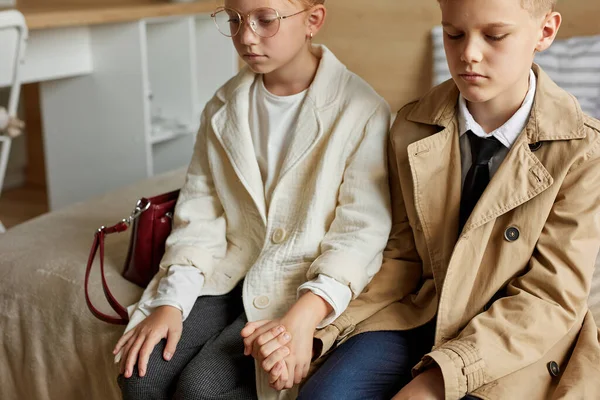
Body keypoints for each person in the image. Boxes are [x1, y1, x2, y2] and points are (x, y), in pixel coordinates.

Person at [272, 0, 600, 398]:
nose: (468, 54)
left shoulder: (583, 150)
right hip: (422, 312)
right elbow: (401, 257)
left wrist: (436, 381)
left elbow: (548, 298)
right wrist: (321, 326)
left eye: (494, 36)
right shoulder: (409, 125)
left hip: (517, 338)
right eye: (453, 34)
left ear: (545, 32)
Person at [113, 0, 392, 398]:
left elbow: (360, 233)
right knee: (138, 377)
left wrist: (307, 312)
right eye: (234, 20)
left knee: (199, 390)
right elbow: (199, 216)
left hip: (298, 286)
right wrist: (169, 303)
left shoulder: (363, 111)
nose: (245, 36)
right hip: (227, 272)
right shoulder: (221, 107)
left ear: (313, 20)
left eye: (265, 20)